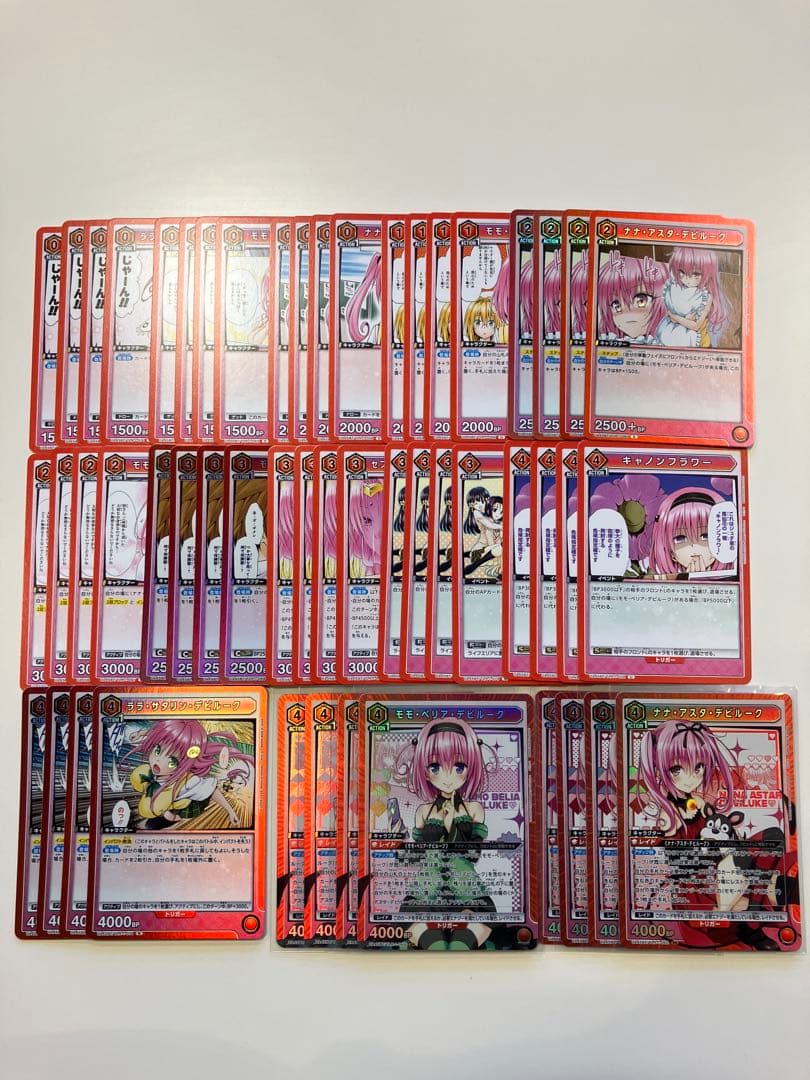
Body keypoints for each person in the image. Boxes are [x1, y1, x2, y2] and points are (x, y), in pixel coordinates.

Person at [393, 718, 496, 949]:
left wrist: (454, 830)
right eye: (435, 767)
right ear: (425, 772)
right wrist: (399, 845)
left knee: (463, 944)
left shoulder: (474, 809)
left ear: (470, 768)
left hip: (467, 890)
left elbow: (473, 854)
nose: (448, 777)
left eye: (459, 767)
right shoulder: (423, 811)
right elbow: (418, 856)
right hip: (424, 892)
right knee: (432, 943)